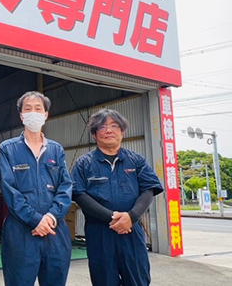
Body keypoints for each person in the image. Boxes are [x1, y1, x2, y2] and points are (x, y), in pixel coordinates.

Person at [70, 109, 164, 286]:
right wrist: (112, 217)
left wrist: (131, 217)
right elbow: (78, 194)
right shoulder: (84, 163)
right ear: (94, 134)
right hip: (99, 232)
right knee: (104, 280)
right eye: (102, 127)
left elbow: (149, 189)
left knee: (138, 279)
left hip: (131, 230)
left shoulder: (136, 160)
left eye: (114, 126)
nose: (108, 130)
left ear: (122, 131)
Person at [0, 91, 73, 286]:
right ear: (21, 115)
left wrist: (51, 216)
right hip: (21, 231)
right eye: (28, 109)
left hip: (54, 230)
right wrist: (35, 219)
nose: (33, 113)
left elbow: (65, 187)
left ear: (46, 114)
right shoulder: (8, 149)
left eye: (38, 109)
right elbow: (9, 189)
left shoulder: (56, 150)